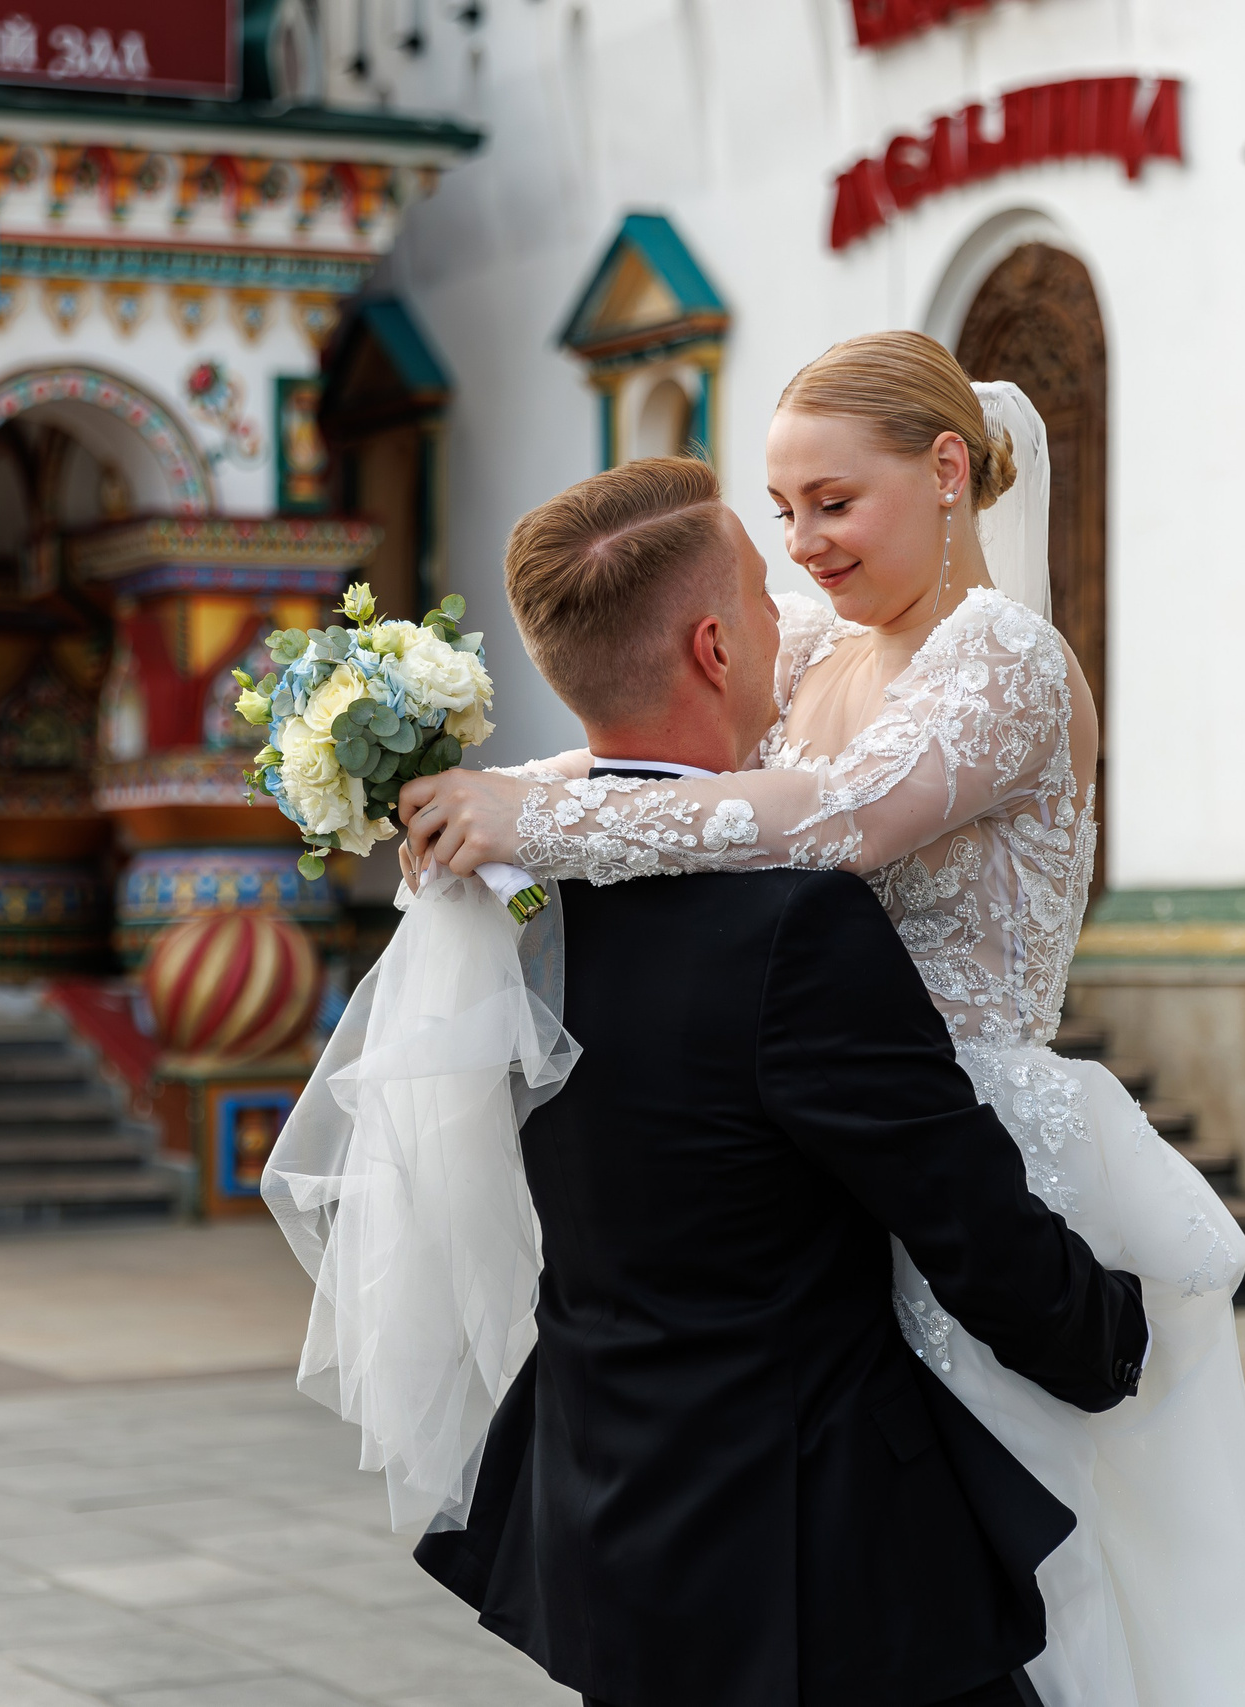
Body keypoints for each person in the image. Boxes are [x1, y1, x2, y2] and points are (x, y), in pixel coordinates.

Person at [396, 333, 1245, 1707]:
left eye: (834, 500)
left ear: (948, 472)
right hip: (836, 1150)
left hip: (977, 1133)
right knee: (921, 1548)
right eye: (783, 512)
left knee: (1053, 1573)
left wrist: (540, 816)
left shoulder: (1003, 657)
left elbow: (841, 819)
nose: (804, 544)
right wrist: (495, 792)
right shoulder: (823, 639)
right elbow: (659, 724)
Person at [272, 455, 1150, 1707]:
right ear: (715, 648)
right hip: (814, 1560)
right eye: (761, 589)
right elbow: (958, 1212)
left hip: (607, 1525)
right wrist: (1107, 1338)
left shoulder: (501, 903)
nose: (794, 596)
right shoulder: (793, 923)